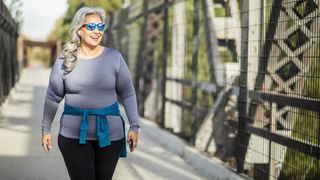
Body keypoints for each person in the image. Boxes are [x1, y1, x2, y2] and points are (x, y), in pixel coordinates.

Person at [41, 7, 140, 180]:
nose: (97, 31)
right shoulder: (64, 61)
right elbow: (52, 97)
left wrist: (134, 126)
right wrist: (46, 129)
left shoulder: (114, 57)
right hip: (73, 136)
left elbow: (128, 92)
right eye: (91, 27)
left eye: (100, 27)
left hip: (111, 136)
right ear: (79, 30)